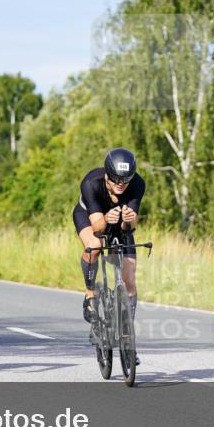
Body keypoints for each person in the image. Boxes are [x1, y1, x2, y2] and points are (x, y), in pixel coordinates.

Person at [73, 148, 145, 364]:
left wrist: (129, 219)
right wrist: (107, 217)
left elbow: (129, 227)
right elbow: (97, 227)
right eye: (115, 179)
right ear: (107, 174)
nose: (121, 183)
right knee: (95, 246)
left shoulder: (138, 184)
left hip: (118, 223)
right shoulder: (91, 182)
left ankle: (127, 339)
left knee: (129, 276)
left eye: (126, 179)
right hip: (91, 217)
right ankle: (90, 294)